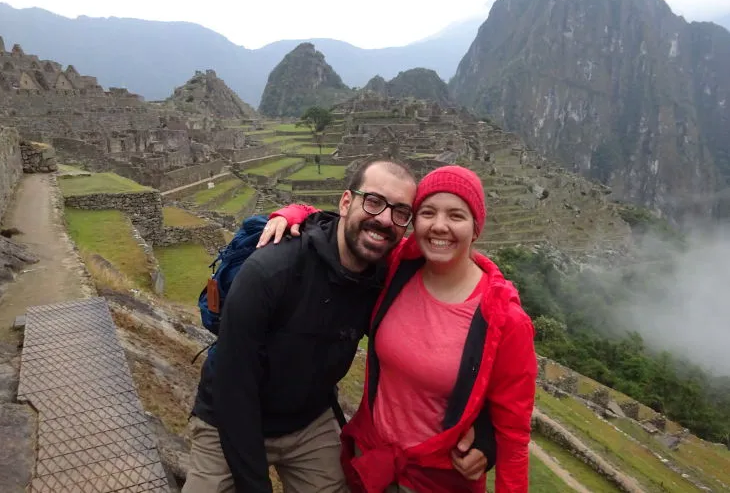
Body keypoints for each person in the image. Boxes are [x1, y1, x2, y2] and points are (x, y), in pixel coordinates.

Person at [184, 159, 494, 493]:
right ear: (346, 202)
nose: (385, 219)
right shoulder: (270, 272)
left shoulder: (386, 277)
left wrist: (485, 431)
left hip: (308, 422)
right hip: (228, 418)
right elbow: (234, 387)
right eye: (373, 202)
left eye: (401, 212)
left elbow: (446, 341)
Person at [263, 165, 537, 492]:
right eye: (428, 212)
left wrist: (487, 438)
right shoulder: (396, 267)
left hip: (437, 481)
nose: (439, 226)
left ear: (476, 228)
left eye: (456, 216)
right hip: (371, 463)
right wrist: (293, 213)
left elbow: (514, 434)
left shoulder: (505, 318)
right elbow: (346, 226)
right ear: (414, 220)